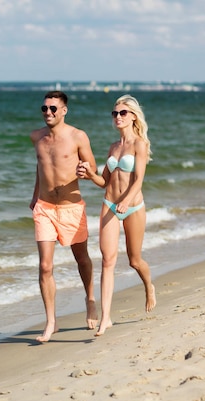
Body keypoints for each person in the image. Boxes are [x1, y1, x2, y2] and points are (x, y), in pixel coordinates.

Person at [77, 94, 156, 336]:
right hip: (110, 204)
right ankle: (105, 319)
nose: (118, 117)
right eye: (115, 113)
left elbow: (138, 180)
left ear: (133, 116)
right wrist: (90, 175)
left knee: (134, 260)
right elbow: (105, 182)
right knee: (107, 261)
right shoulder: (113, 147)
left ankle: (149, 286)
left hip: (133, 206)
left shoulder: (139, 145)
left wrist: (126, 201)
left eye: (123, 113)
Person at [30, 90, 98, 342]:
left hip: (72, 208)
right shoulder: (37, 137)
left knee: (81, 259)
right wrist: (35, 195)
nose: (48, 112)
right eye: (44, 108)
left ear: (64, 110)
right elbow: (41, 167)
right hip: (45, 208)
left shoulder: (78, 136)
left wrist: (86, 171)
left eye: (53, 109)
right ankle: (51, 322)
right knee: (45, 266)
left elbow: (93, 168)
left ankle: (90, 299)